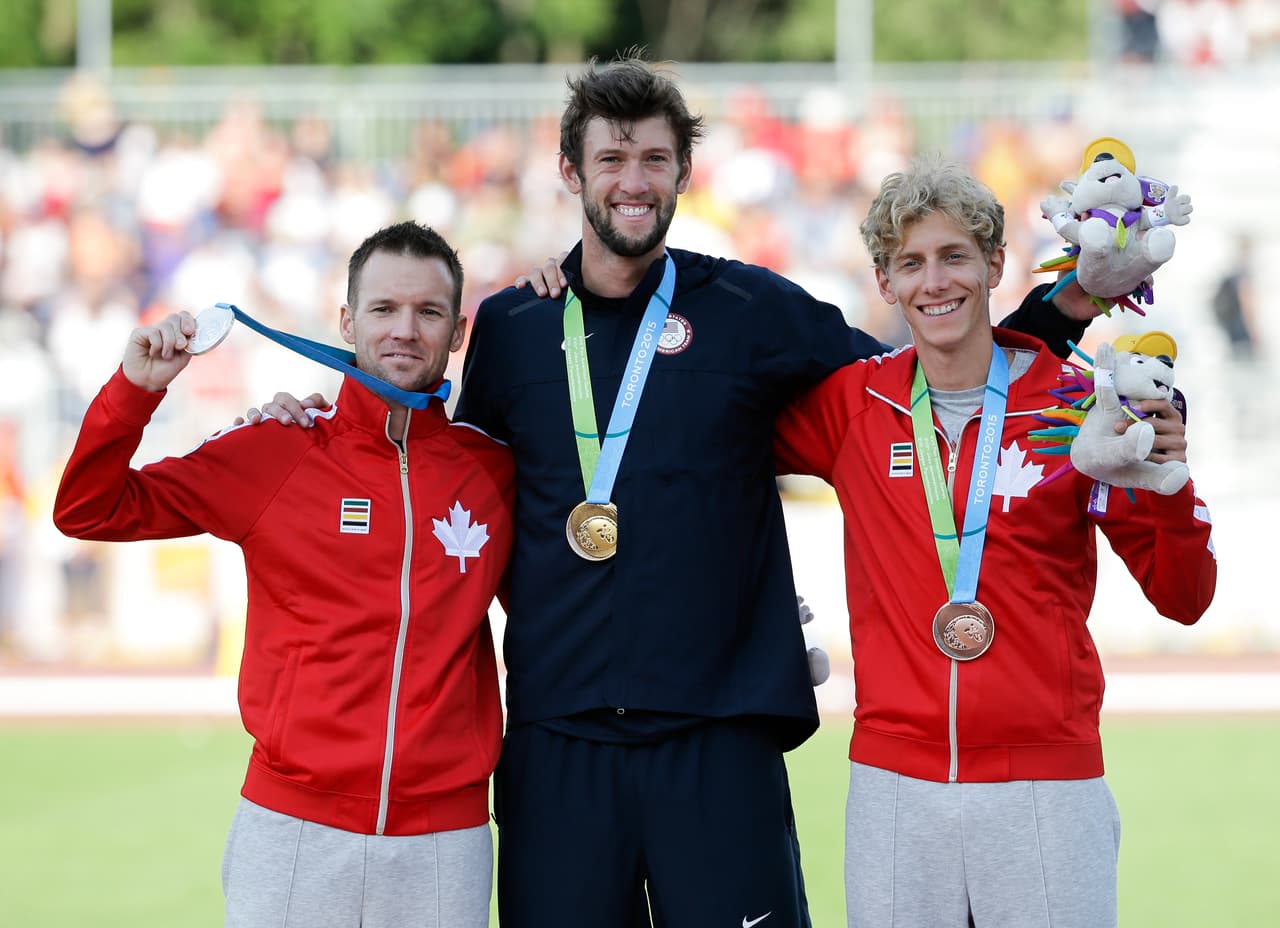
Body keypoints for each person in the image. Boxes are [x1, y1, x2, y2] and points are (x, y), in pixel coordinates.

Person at [257, 54, 1097, 927]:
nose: (634, 181)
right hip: (560, 741)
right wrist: (319, 417)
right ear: (571, 173)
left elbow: (932, 374)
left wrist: (1070, 305)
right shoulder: (513, 326)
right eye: (612, 160)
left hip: (719, 737)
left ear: (684, 174)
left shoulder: (753, 308)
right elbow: (444, 475)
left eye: (655, 160)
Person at [773, 158, 1217, 927]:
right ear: (883, 283)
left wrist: (1170, 481)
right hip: (894, 785)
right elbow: (706, 436)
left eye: (954, 257)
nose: (933, 282)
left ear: (994, 266)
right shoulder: (854, 402)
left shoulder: (1083, 408)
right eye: (910, 263)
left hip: (1047, 785)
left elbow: (1185, 598)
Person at [53, 221, 515, 928]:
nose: (404, 330)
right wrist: (134, 391)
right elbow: (89, 509)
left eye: (428, 313)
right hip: (293, 830)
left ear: (457, 333)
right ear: (346, 321)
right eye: (384, 309)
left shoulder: (492, 469)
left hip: (444, 840)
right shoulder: (277, 448)